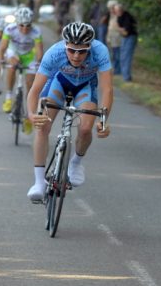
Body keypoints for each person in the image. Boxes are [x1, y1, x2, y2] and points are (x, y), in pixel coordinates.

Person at [26, 22, 113, 201]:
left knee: (85, 128)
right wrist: (31, 115)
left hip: (85, 86)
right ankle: (39, 182)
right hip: (60, 83)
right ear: (65, 46)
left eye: (82, 51)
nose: (76, 55)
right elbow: (35, 90)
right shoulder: (54, 52)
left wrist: (103, 121)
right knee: (42, 126)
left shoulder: (100, 51)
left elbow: (107, 89)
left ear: (90, 47)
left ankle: (75, 163)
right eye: (72, 50)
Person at [0, 7, 43, 135]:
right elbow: (2, 48)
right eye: (21, 25)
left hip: (29, 56)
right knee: (11, 66)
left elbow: (39, 51)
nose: (24, 29)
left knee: (30, 84)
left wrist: (39, 63)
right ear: (17, 23)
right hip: (14, 53)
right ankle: (8, 97)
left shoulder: (36, 31)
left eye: (28, 25)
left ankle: (29, 117)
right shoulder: (9, 29)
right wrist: (0, 61)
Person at [114, 2, 138, 82]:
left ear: (121, 10)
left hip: (130, 37)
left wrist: (119, 29)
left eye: (118, 11)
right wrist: (120, 29)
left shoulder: (127, 16)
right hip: (124, 37)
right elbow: (120, 29)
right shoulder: (119, 17)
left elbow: (126, 31)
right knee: (122, 56)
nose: (117, 12)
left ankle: (127, 77)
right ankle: (124, 75)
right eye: (116, 11)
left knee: (127, 56)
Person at [106, 0, 122, 74]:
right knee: (113, 55)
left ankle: (118, 70)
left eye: (111, 8)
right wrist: (108, 37)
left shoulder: (118, 16)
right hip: (112, 39)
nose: (110, 10)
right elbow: (110, 28)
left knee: (117, 55)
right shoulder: (112, 16)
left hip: (118, 39)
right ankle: (115, 69)